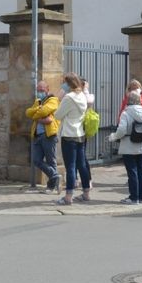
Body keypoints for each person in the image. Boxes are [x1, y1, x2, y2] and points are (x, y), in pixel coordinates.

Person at [110, 89, 142, 204]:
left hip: (128, 145)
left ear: (128, 100)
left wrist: (114, 137)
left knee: (132, 172)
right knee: (141, 171)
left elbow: (121, 130)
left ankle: (133, 197)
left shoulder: (126, 113)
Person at [52, 73, 91, 205]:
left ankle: (68, 196)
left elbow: (57, 115)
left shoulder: (69, 98)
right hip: (80, 133)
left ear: (68, 84)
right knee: (82, 164)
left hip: (69, 134)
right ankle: (86, 193)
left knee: (71, 166)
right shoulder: (82, 96)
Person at [25, 80, 60, 193]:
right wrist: (39, 114)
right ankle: (55, 175)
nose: (40, 92)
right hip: (37, 135)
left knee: (51, 160)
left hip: (48, 135)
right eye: (38, 90)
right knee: (36, 160)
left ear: (47, 89)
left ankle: (52, 186)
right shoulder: (38, 101)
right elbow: (28, 112)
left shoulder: (53, 100)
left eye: (42, 90)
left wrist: (36, 116)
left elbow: (46, 114)